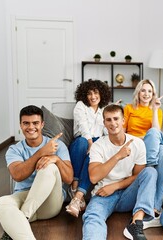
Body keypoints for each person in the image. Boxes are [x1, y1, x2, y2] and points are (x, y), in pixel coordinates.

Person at [0, 105, 73, 240]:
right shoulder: (14, 150)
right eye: (26, 123)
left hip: (49, 203)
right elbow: (17, 175)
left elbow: (69, 178)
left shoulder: (57, 145)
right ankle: (24, 221)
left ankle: (23, 216)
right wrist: (41, 153)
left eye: (35, 123)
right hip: (24, 197)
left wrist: (56, 159)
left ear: (42, 124)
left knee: (49, 166)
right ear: (21, 125)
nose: (31, 127)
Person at [82, 104, 157, 240]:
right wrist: (117, 156)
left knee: (150, 172)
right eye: (108, 120)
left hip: (128, 194)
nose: (113, 123)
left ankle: (136, 223)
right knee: (92, 216)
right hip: (103, 194)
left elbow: (139, 176)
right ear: (104, 123)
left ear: (123, 121)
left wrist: (115, 186)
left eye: (116, 119)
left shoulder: (138, 144)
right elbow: (94, 178)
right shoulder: (98, 145)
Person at [66, 79, 112, 218]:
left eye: (96, 93)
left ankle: (77, 197)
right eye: (89, 93)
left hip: (98, 141)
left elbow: (105, 130)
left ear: (101, 94)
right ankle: (75, 183)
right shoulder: (80, 106)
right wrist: (91, 143)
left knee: (94, 154)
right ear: (84, 95)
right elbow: (83, 126)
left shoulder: (104, 108)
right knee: (83, 143)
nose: (93, 96)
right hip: (81, 140)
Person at [123, 79, 163, 166]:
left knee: (156, 136)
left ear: (153, 94)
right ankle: (151, 165)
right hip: (135, 142)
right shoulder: (128, 108)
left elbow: (156, 133)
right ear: (138, 92)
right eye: (143, 90)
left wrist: (155, 109)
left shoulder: (157, 111)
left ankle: (149, 164)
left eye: (149, 91)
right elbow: (122, 133)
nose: (146, 94)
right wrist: (143, 138)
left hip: (152, 143)